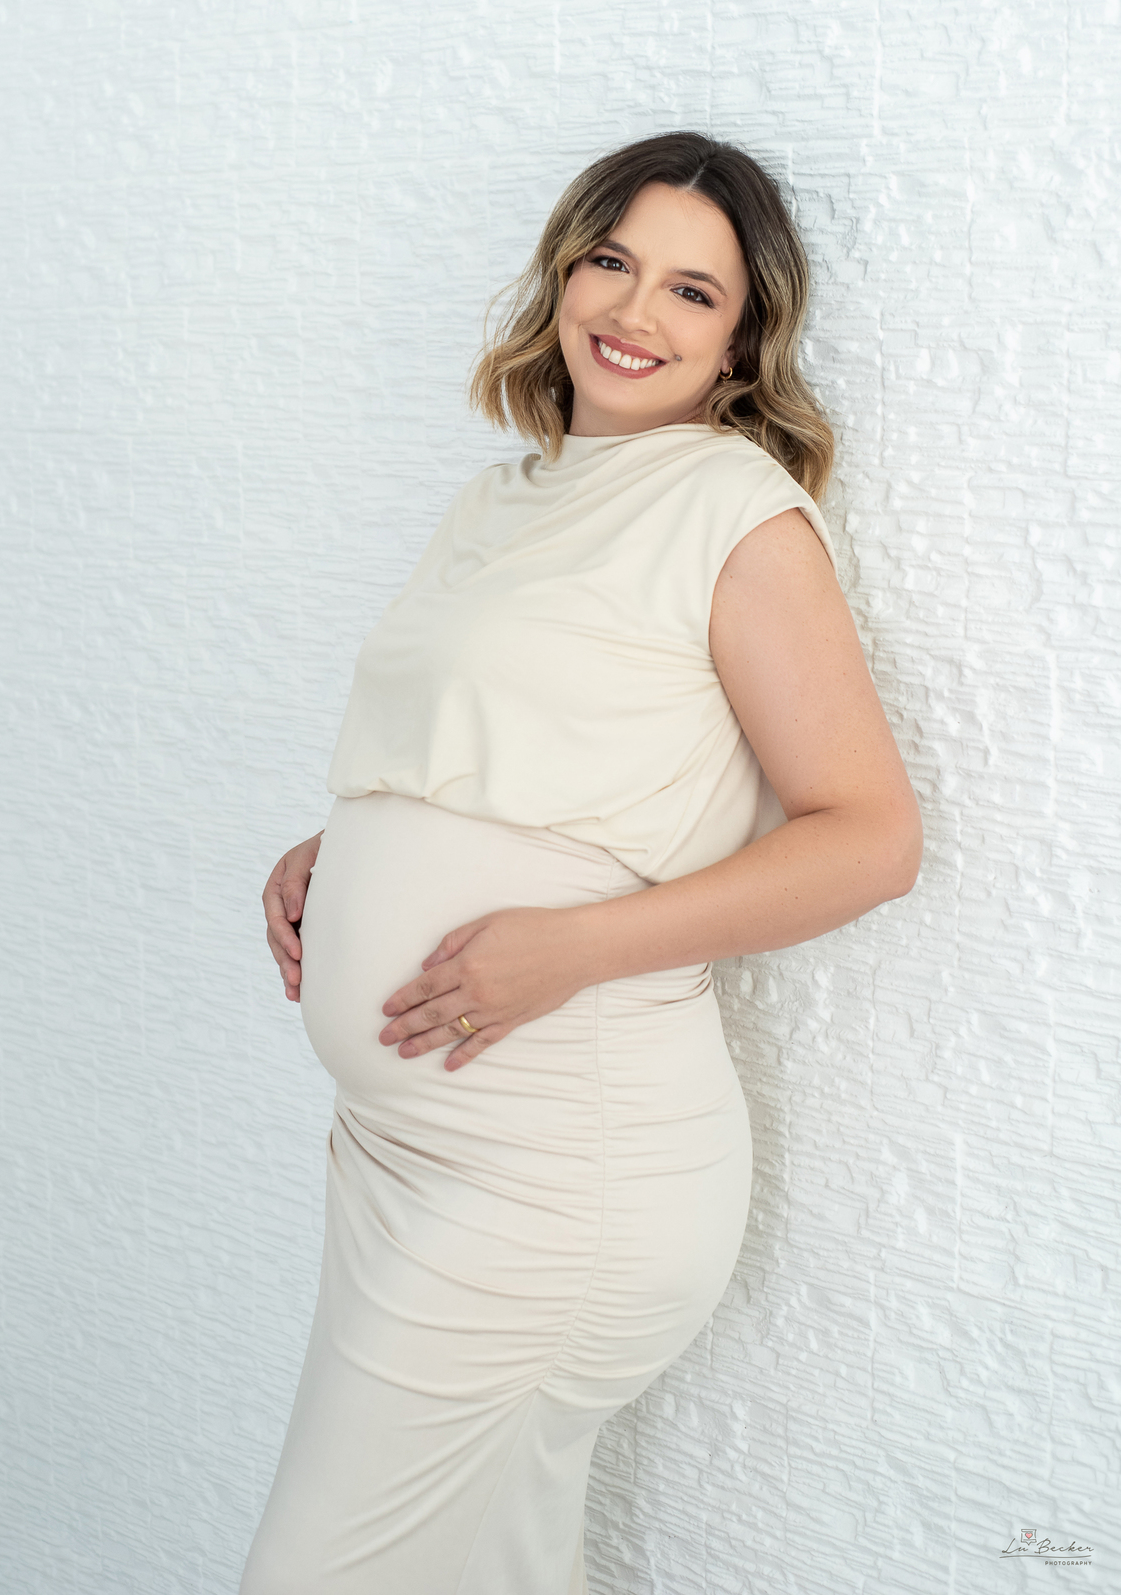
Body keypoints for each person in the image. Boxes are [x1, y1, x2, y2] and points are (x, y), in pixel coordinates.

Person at [239, 131, 922, 1595]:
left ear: (741, 344)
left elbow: (870, 837)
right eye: (613, 259)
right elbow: (506, 753)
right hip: (398, 1155)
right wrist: (345, 848)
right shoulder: (506, 495)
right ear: (562, 270)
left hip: (558, 1165)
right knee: (490, 1569)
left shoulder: (732, 508)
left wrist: (574, 947)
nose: (634, 309)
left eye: (693, 290)